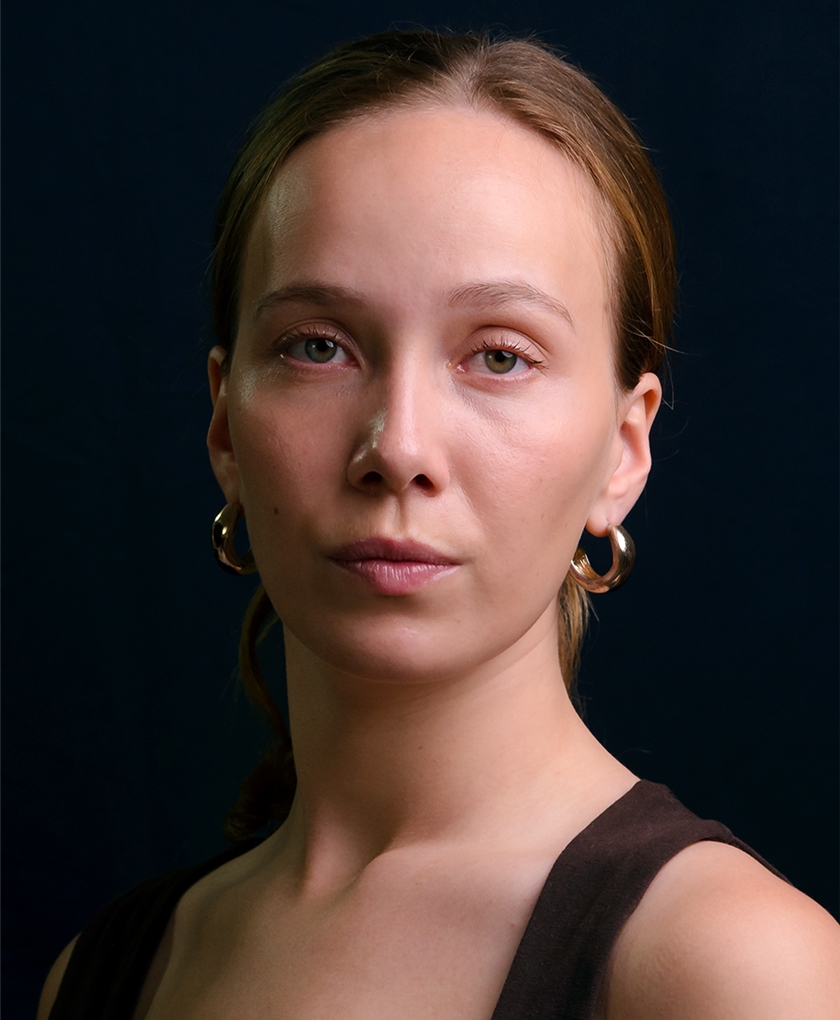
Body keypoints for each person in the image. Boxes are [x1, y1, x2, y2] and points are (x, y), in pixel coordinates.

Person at [38, 28, 839, 1020]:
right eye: (318, 347)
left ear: (624, 450)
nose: (399, 446)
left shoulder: (733, 969)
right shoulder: (104, 974)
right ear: (225, 426)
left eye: (500, 356)